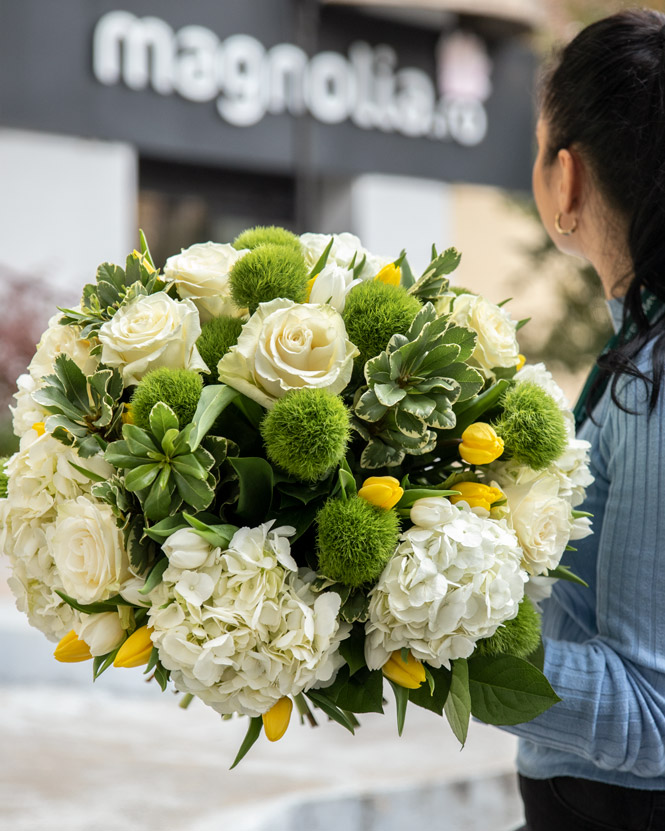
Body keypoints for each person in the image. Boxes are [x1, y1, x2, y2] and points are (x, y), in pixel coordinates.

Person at [508, 9, 665, 830]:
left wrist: (406, 641)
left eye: (535, 146)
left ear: (566, 178)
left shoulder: (652, 378)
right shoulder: (637, 346)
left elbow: (651, 711)